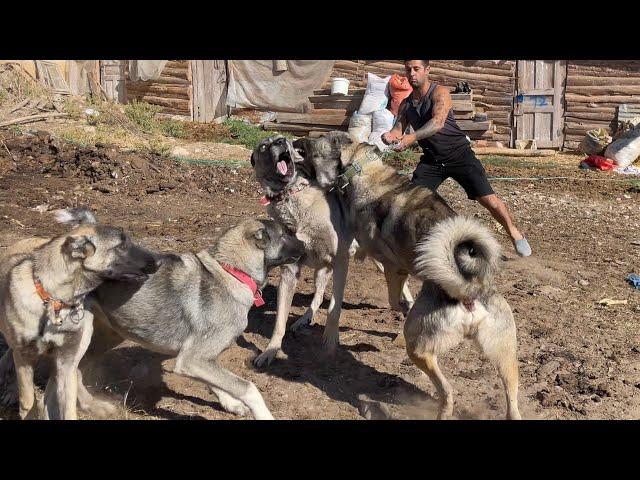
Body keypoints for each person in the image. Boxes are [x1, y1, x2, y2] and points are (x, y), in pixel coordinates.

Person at [382, 60, 532, 257]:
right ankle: (418, 245)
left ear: (427, 70)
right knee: (411, 201)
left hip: (460, 155)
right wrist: (389, 137)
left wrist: (412, 137)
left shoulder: (440, 93)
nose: (412, 73)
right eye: (408, 69)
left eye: (416, 69)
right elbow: (397, 130)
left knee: (489, 200)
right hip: (432, 160)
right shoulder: (406, 104)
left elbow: (438, 123)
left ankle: (514, 232)